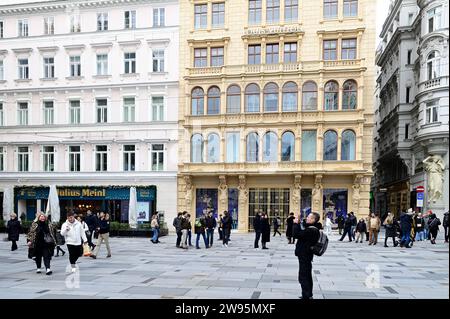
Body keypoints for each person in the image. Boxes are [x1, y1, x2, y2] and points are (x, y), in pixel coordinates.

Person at [293, 212, 322, 300]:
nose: (307, 218)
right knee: (307, 274)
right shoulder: (313, 228)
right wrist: (299, 222)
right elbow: (303, 229)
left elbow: (296, 234)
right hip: (307, 254)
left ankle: (306, 295)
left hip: (304, 254)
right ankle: (308, 294)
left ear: (313, 219)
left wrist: (295, 224)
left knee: (303, 275)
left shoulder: (311, 230)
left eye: (309, 217)